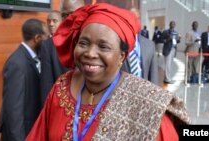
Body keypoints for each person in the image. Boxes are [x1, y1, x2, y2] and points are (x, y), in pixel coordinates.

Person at [26, 3, 190, 141]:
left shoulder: (148, 104)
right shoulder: (62, 87)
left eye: (103, 46)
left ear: (122, 56)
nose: (90, 53)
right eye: (83, 43)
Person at [0, 19, 49, 141]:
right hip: (21, 134)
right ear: (37, 38)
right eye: (46, 36)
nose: (48, 40)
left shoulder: (33, 58)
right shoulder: (17, 64)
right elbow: (14, 110)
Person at [122, 7, 159, 85]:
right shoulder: (117, 43)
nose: (132, 22)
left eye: (136, 18)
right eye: (129, 18)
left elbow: (153, 75)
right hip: (121, 92)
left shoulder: (149, 45)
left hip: (142, 91)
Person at [40, 10, 68, 106]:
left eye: (55, 21)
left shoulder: (47, 45)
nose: (51, 24)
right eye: (49, 21)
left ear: (62, 22)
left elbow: (46, 81)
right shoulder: (46, 44)